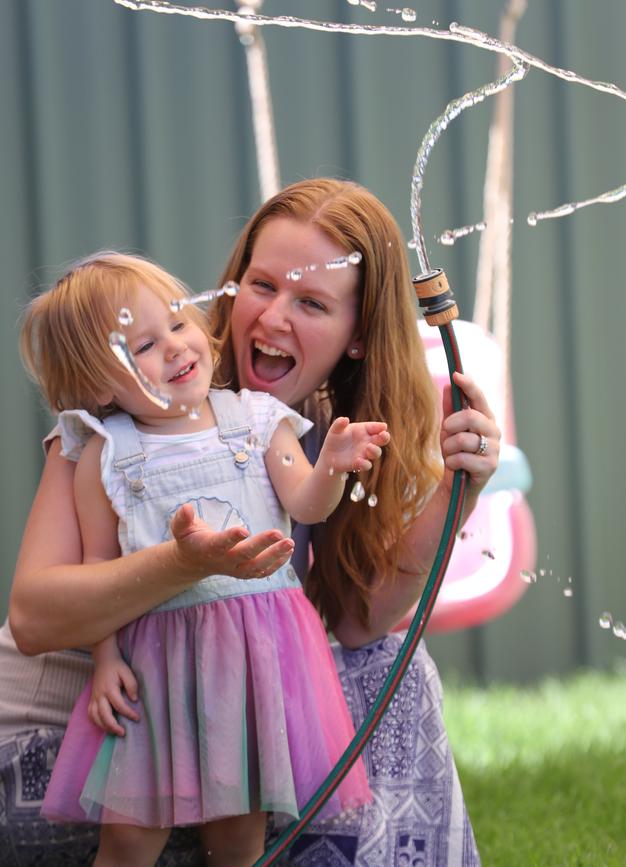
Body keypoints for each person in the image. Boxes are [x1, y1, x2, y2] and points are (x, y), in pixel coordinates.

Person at [5, 178, 500, 866]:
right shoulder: (111, 428)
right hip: (72, 733)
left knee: (394, 663)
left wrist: (459, 490)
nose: (271, 319)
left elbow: (363, 622)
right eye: (261, 285)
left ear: (357, 338)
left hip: (209, 726)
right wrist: (185, 563)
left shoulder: (296, 431)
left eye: (311, 303)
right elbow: (32, 617)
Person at [19, 251, 386, 866]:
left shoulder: (256, 420)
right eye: (140, 347)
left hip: (251, 658)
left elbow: (307, 504)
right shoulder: (106, 455)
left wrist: (331, 466)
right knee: (130, 836)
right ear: (97, 385)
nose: (176, 347)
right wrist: (106, 661)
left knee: (239, 832)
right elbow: (96, 569)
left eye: (178, 321)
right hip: (154, 665)